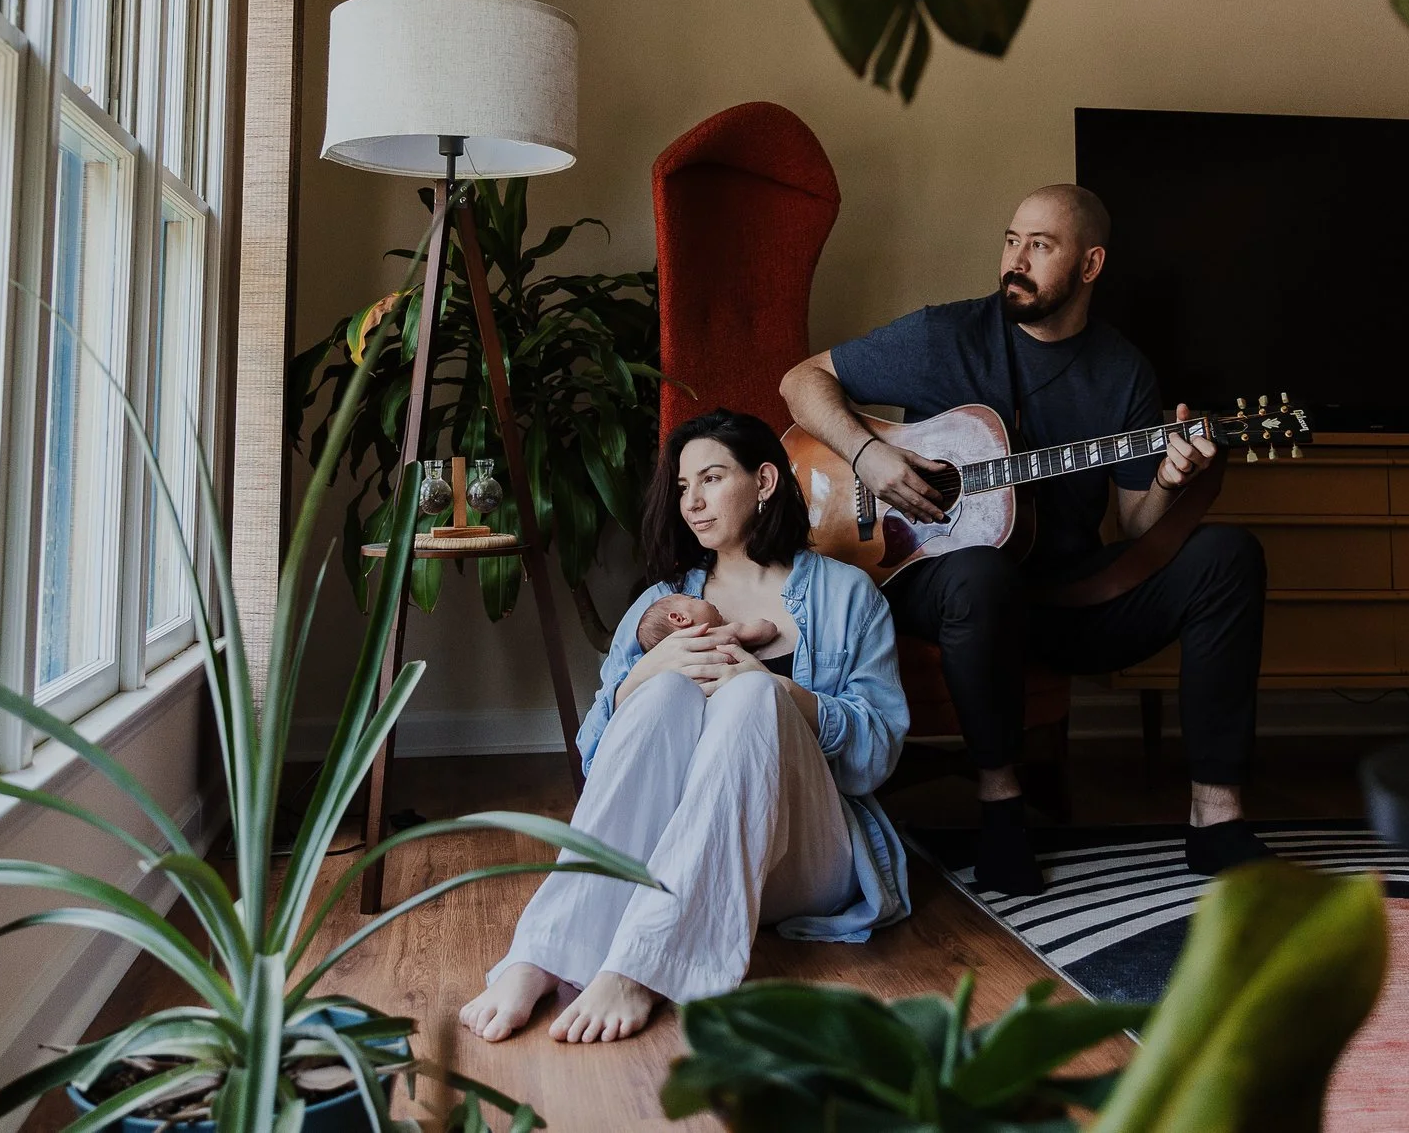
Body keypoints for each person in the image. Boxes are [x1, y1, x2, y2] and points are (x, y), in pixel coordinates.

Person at [780, 184, 1269, 895]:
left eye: (1041, 245)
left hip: (1064, 597)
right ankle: (1001, 805)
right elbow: (802, 381)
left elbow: (1134, 524)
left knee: (1230, 556)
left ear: (1090, 263)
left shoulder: (1122, 370)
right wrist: (868, 455)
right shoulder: (944, 335)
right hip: (944, 586)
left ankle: (1216, 815)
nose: (1016, 258)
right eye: (1013, 239)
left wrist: (1169, 475)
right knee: (983, 574)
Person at [459, 408, 910, 1045]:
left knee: (752, 696)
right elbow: (599, 769)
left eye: (711, 479)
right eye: (680, 487)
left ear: (763, 482)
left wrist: (783, 692)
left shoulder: (848, 595)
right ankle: (542, 953)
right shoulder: (658, 605)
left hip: (804, 860)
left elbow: (876, 757)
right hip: (685, 859)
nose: (691, 502)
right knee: (668, 686)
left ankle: (647, 962)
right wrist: (643, 678)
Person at [635, 592, 780, 655]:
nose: (702, 600)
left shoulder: (677, 666)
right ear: (680, 618)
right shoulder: (721, 634)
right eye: (693, 598)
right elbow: (767, 630)